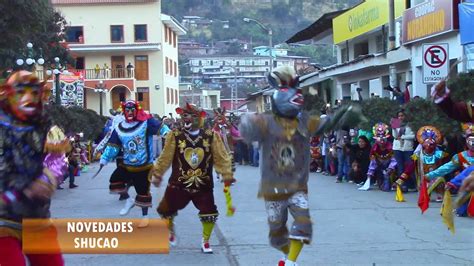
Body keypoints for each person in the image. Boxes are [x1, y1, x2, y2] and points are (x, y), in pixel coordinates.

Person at [239, 65, 364, 266]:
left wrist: (344, 115)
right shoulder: (265, 122)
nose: (295, 96)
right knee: (277, 235)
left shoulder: (305, 122)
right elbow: (247, 131)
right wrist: (246, 122)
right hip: (272, 188)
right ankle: (287, 255)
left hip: (298, 187)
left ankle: (290, 263)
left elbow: (328, 123)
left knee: (303, 224)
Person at [0, 71, 67, 265]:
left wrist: (45, 180)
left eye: (33, 92)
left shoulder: (46, 127)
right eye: (21, 92)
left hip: (37, 217)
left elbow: (58, 160)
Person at [151, 103, 234, 253]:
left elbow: (221, 157)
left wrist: (226, 174)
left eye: (192, 115)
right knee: (165, 210)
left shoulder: (211, 136)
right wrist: (157, 173)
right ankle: (170, 231)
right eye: (184, 115)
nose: (187, 118)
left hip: (203, 183)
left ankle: (206, 241)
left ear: (200, 118)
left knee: (209, 213)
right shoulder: (174, 135)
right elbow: (165, 157)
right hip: (178, 183)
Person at [100, 100, 160, 226]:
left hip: (144, 165)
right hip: (127, 164)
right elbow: (113, 145)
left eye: (132, 109)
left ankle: (145, 217)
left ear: (137, 110)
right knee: (115, 180)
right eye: (127, 110)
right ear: (124, 111)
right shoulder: (120, 127)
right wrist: (105, 158)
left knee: (143, 192)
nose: (130, 112)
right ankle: (128, 200)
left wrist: (149, 118)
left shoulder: (145, 123)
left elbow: (159, 128)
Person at [395, 126, 449, 201]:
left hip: (436, 177)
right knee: (424, 190)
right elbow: (410, 168)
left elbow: (447, 166)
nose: (429, 146)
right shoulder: (418, 156)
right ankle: (426, 193)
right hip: (423, 179)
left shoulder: (439, 155)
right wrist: (401, 179)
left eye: (432, 144)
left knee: (440, 179)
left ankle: (439, 194)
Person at [425, 123, 474, 192]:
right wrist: (430, 175)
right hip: (467, 189)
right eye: (470, 141)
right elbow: (446, 168)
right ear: (466, 142)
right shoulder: (461, 156)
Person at [362, 123, 397, 191]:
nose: (381, 140)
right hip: (380, 168)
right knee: (382, 183)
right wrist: (369, 175)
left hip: (392, 169)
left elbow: (394, 160)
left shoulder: (391, 147)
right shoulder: (374, 149)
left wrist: (390, 168)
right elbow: (373, 163)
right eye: (379, 136)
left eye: (383, 136)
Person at [392, 110, 415, 192]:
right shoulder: (396, 123)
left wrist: (403, 137)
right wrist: (394, 129)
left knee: (409, 167)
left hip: (407, 148)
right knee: (400, 168)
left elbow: (413, 136)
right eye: (399, 116)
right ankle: (402, 185)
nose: (400, 117)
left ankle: (412, 184)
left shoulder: (410, 124)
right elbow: (395, 136)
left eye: (402, 115)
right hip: (397, 148)